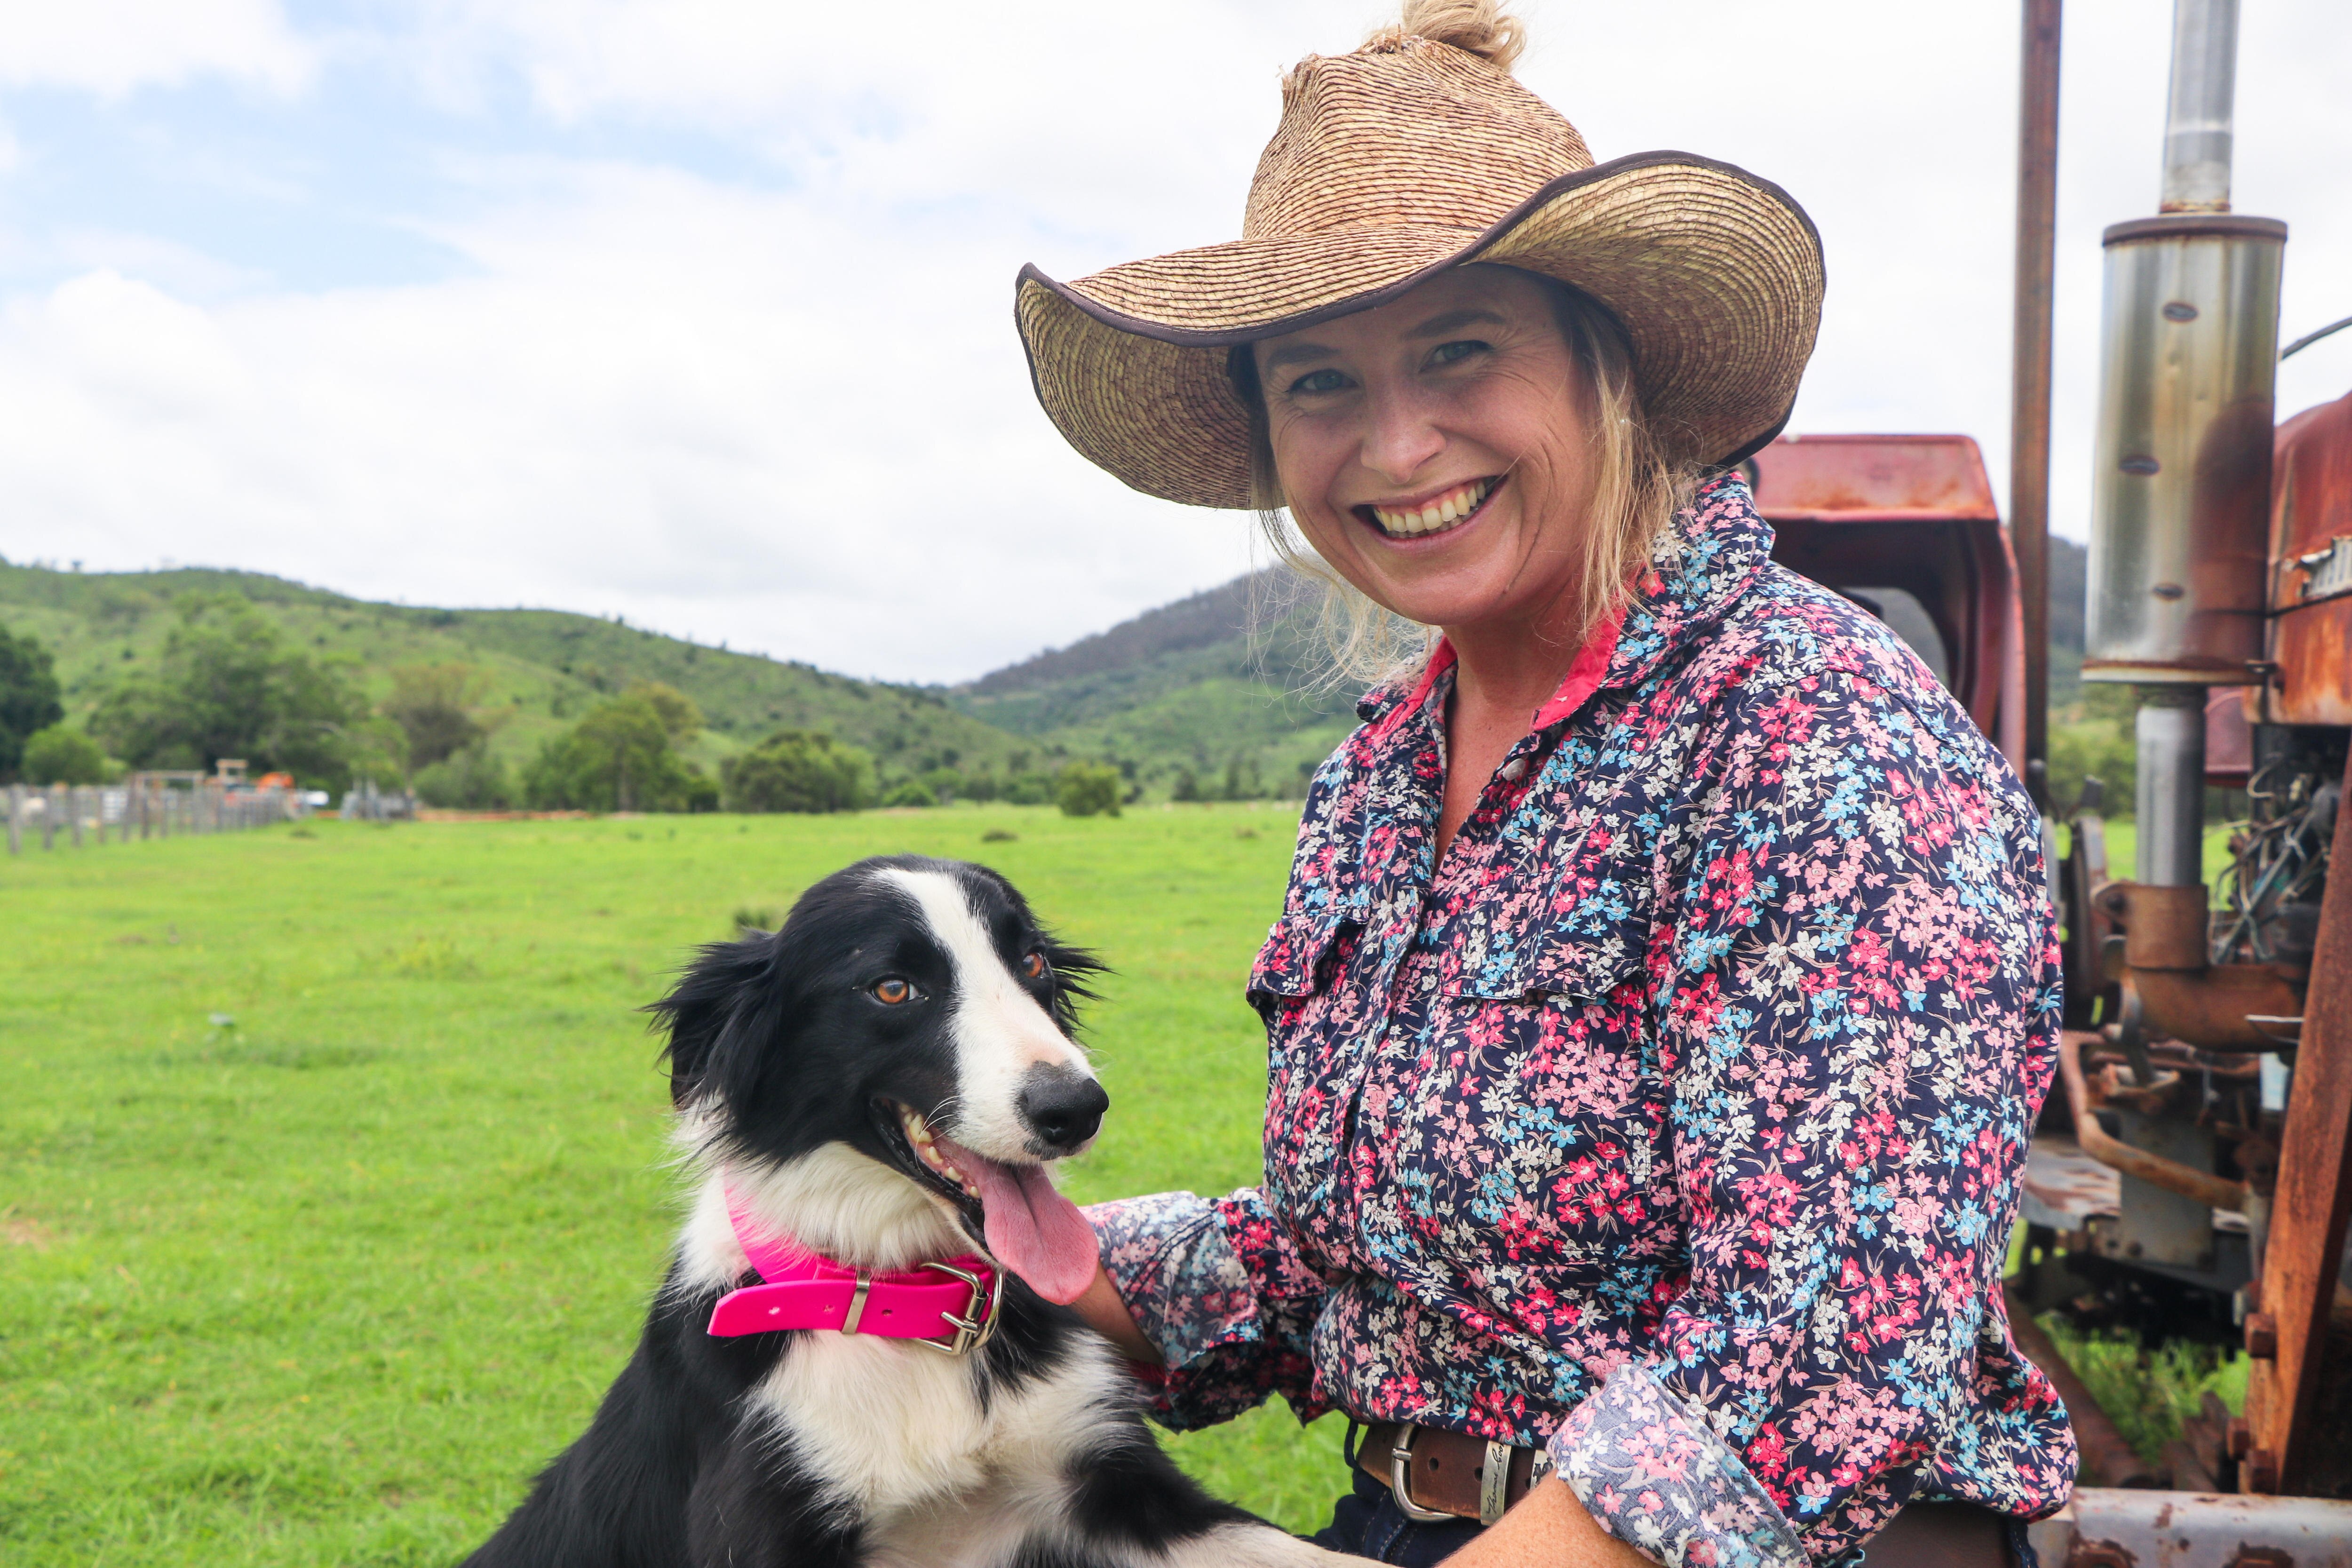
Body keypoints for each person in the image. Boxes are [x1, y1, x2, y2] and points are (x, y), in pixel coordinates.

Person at [1013, 3, 2075, 1563]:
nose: (1394, 443)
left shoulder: (1810, 736)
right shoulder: (1380, 778)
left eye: (1459, 351)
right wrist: (996, 1253)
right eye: (1318, 383)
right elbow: (1364, 1269)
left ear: (1610, 370)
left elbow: (1822, 1345)